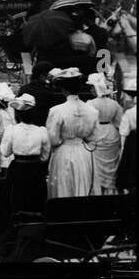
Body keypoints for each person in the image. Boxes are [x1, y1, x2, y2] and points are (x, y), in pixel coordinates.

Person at [46, 69, 99, 198]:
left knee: (64, 186)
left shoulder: (56, 111)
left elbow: (53, 139)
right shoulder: (91, 110)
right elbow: (94, 138)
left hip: (63, 152)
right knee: (83, 184)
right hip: (83, 153)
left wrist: (61, 141)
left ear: (63, 89)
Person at [0, 94, 51, 218]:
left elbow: (5, 152)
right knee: (36, 199)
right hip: (35, 169)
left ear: (17, 114)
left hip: (18, 168)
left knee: (15, 198)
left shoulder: (12, 130)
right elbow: (44, 157)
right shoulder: (41, 131)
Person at [86, 74, 122, 195]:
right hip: (112, 133)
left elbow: (88, 123)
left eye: (91, 87)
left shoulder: (90, 104)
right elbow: (119, 122)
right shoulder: (114, 104)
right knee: (112, 166)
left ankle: (98, 192)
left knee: (96, 168)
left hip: (97, 133)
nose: (90, 90)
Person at [116, 93, 137, 193]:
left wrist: (122, 150)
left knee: (130, 166)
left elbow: (124, 132)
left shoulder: (129, 113)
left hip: (133, 141)